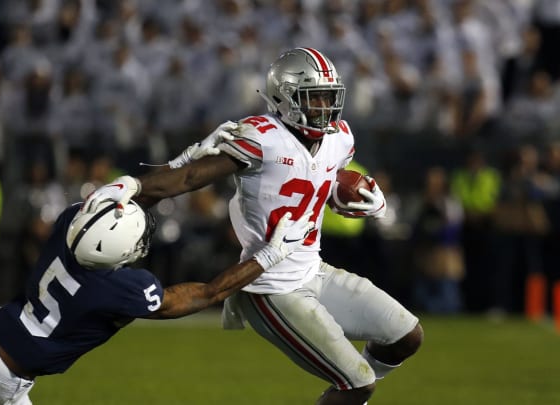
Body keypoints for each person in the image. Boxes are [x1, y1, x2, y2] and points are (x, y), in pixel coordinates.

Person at [84, 47, 424, 405]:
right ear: (284, 97)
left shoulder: (340, 137)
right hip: (269, 286)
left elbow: (317, 178)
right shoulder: (262, 137)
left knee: (407, 336)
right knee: (357, 383)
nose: (324, 108)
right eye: (314, 98)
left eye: (328, 97)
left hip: (313, 269)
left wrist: (352, 195)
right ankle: (352, 390)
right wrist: (134, 188)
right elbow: (188, 179)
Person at [0, 199, 313, 405]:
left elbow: (110, 205)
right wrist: (267, 256)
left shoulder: (71, 222)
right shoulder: (118, 288)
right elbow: (209, 293)